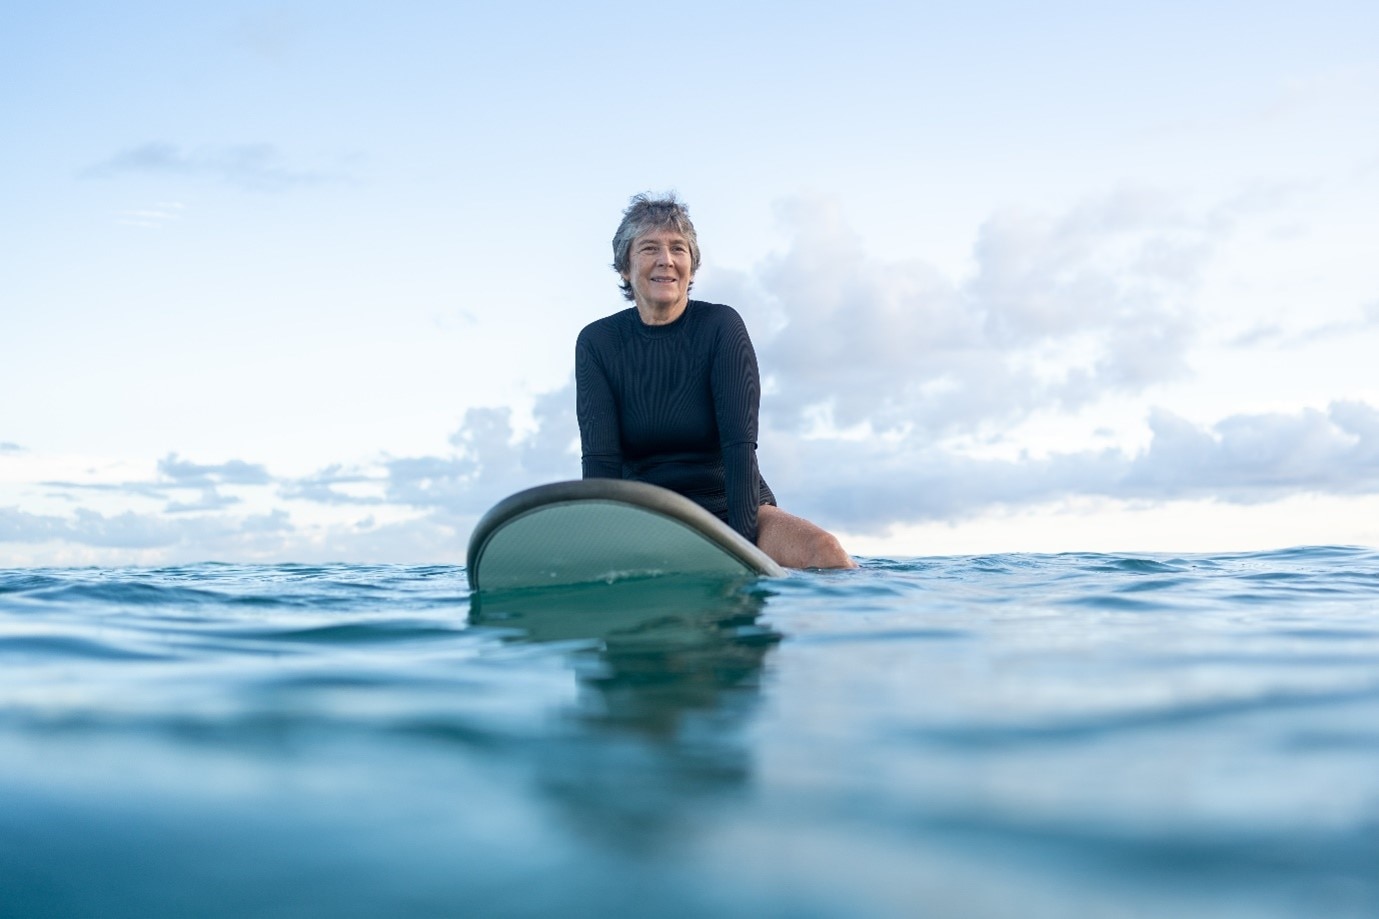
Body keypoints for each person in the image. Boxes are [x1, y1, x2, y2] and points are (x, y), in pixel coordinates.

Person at [575, 193, 857, 569]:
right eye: (649, 248)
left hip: (733, 507)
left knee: (826, 552)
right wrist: (608, 554)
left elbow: (740, 449)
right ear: (625, 267)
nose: (666, 260)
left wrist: (738, 555)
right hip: (649, 516)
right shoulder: (598, 343)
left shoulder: (720, 327)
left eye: (679, 248)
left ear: (692, 265)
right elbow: (601, 466)